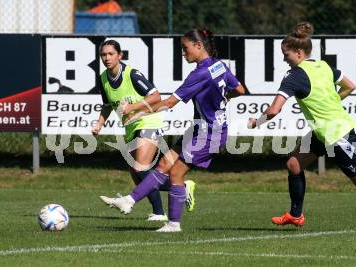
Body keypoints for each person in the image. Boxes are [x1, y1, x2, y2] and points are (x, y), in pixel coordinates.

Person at [248, 22, 356, 228]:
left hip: (338, 134)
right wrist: (333, 101)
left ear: (298, 52)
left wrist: (256, 122)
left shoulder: (295, 75)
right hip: (323, 132)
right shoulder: (322, 66)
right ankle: (296, 215)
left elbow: (273, 110)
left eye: (285, 54)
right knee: (294, 164)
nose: (284, 59)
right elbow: (350, 86)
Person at [100, 29, 246, 232]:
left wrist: (139, 114)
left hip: (209, 133)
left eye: (185, 49)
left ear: (198, 45)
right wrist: (221, 99)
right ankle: (129, 200)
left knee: (176, 172)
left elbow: (168, 102)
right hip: (200, 128)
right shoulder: (219, 65)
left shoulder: (199, 73)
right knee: (164, 163)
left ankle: (173, 223)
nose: (183, 53)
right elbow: (240, 90)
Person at [92, 39, 196, 222]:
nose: (106, 58)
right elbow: (107, 105)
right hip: (131, 127)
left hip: (149, 121)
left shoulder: (131, 74)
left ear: (119, 56)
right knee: (137, 174)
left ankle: (157, 210)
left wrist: (132, 108)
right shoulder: (102, 78)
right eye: (103, 54)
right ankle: (172, 196)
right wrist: (99, 123)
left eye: (110, 54)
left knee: (140, 167)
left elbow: (156, 96)